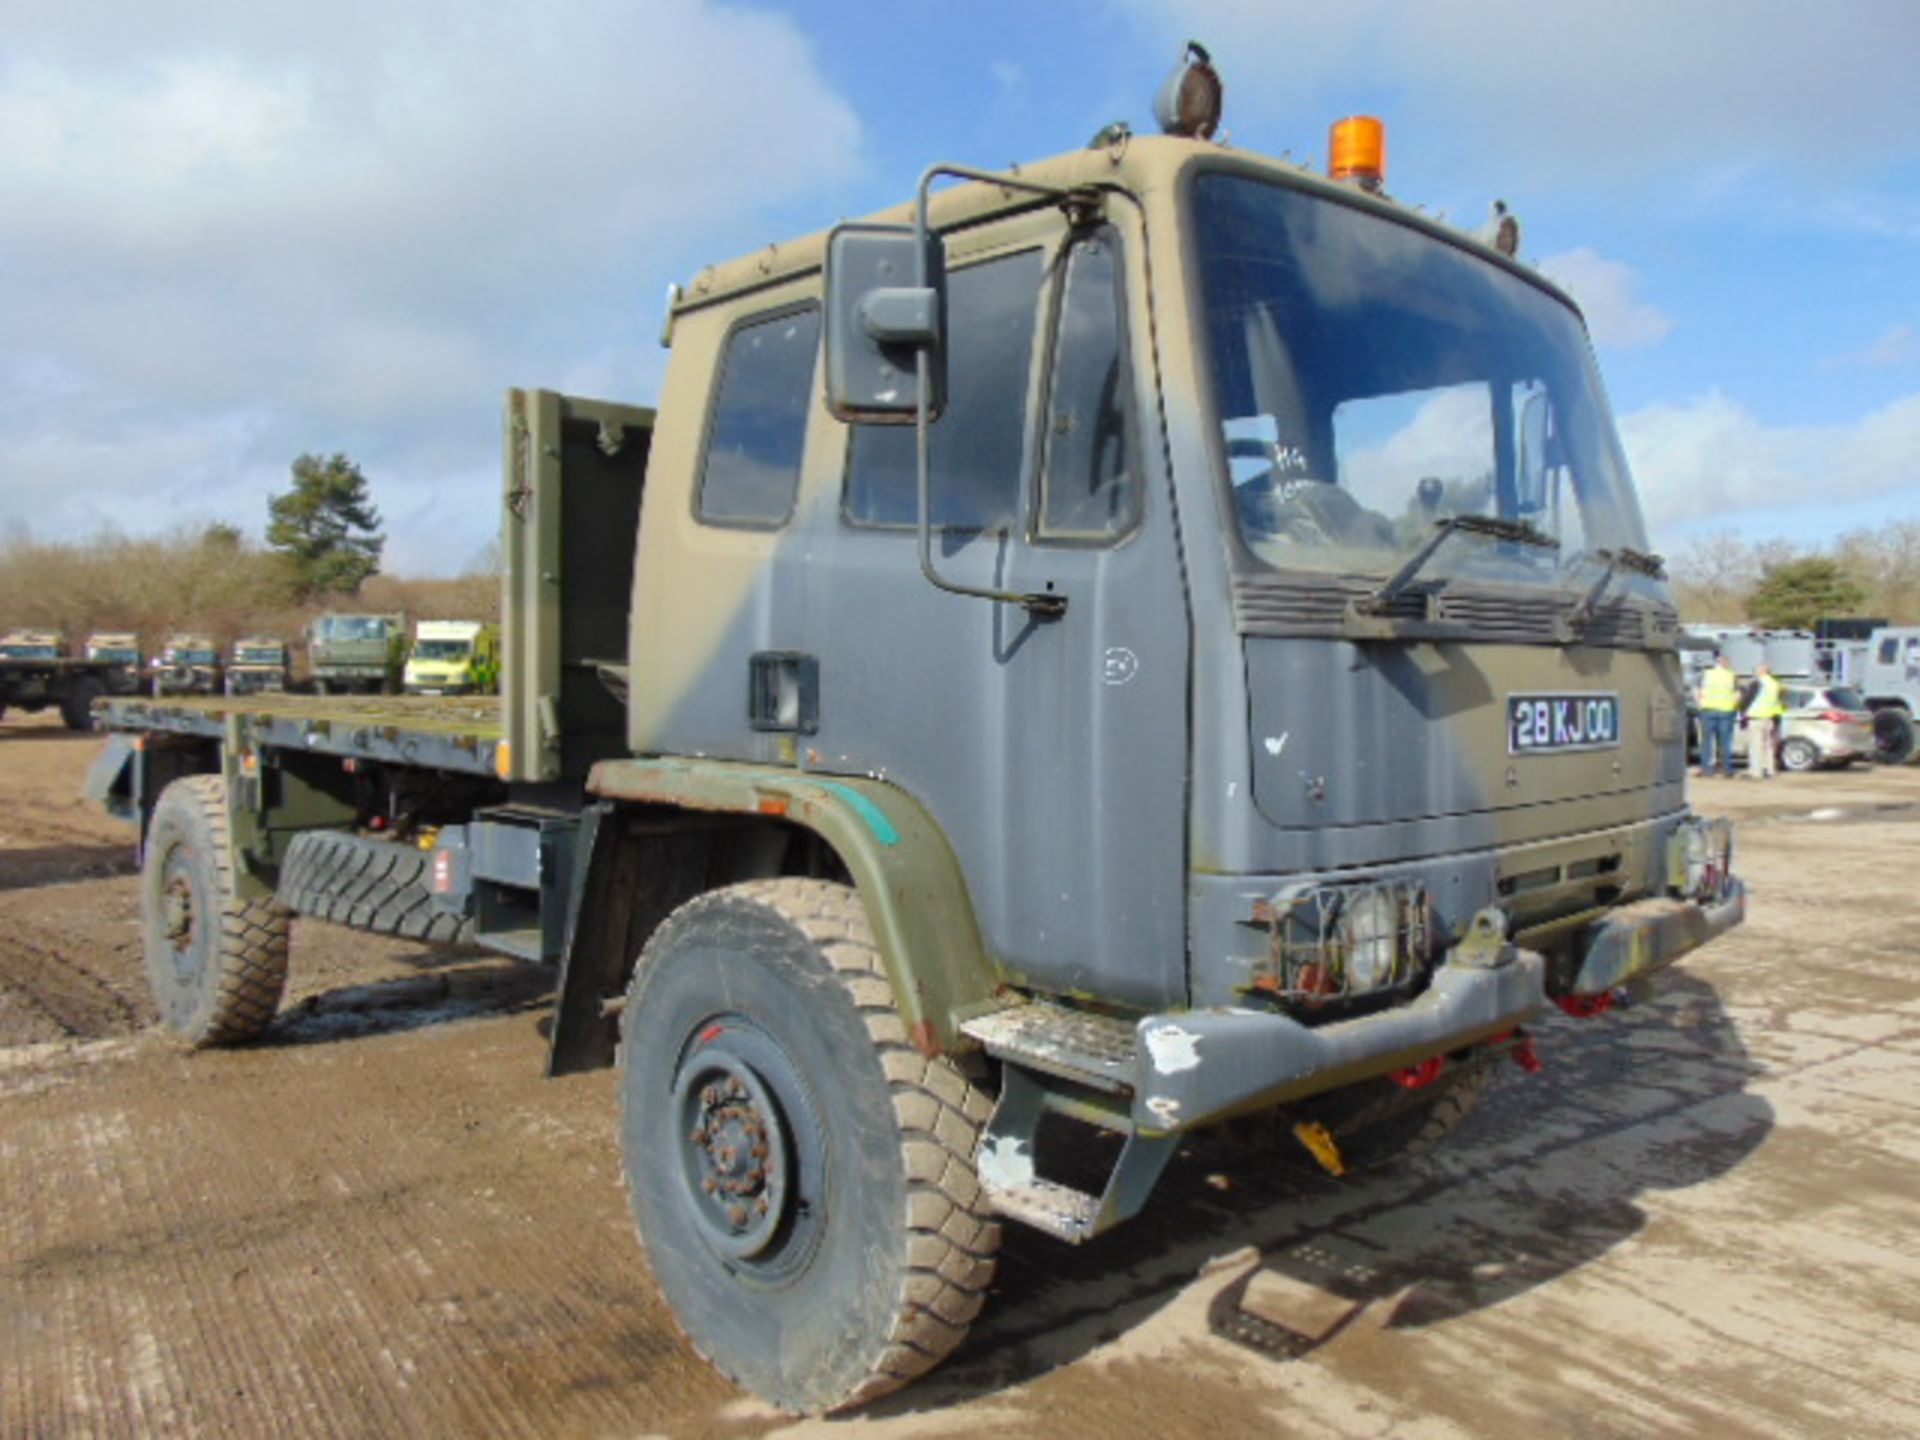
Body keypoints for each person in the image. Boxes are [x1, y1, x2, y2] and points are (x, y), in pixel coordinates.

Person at [1696, 652, 1740, 778]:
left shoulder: (1706, 674)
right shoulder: (1731, 676)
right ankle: (1727, 769)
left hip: (1708, 710)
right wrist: (1733, 707)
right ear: (1725, 663)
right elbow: (1737, 695)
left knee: (1707, 742)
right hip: (1726, 711)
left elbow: (1698, 692)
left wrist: (1701, 705)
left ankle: (1706, 769)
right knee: (1725, 742)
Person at [1745, 662, 1785, 779]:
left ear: (1762, 672)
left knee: (1756, 746)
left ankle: (1756, 771)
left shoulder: (1757, 684)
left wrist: (1743, 712)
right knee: (1768, 746)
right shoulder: (1776, 684)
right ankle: (1769, 769)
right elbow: (1779, 701)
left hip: (1756, 717)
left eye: (1756, 671)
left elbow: (1747, 699)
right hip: (1770, 717)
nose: (1755, 673)